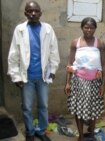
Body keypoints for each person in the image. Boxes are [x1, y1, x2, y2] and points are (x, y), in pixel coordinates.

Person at [7, 1, 60, 141]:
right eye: (30, 11)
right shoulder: (20, 29)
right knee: (27, 107)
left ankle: (41, 131)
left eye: (36, 11)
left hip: (43, 76)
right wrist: (15, 76)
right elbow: (14, 55)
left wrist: (53, 69)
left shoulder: (48, 29)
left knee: (43, 106)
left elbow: (54, 51)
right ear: (25, 13)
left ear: (40, 13)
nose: (33, 13)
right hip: (26, 77)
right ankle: (30, 132)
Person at [64, 17, 105, 141]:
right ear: (82, 28)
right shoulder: (75, 43)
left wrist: (103, 84)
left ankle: (92, 135)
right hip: (78, 81)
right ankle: (81, 136)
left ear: (95, 29)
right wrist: (67, 83)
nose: (89, 30)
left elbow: (104, 64)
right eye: (86, 27)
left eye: (91, 27)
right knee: (79, 109)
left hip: (95, 82)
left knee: (93, 110)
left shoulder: (99, 43)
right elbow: (70, 63)